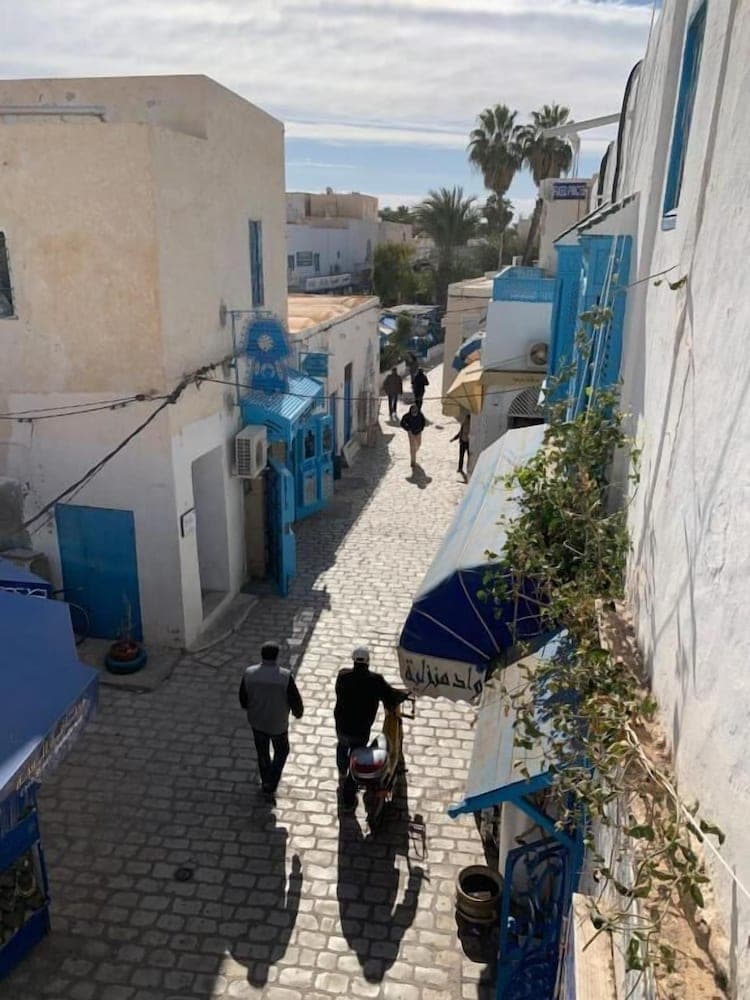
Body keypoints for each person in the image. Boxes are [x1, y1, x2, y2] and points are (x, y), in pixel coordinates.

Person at [334, 646, 409, 810]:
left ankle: (341, 771)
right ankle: (348, 797)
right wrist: (402, 695)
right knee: (356, 758)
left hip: (341, 726)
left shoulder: (343, 676)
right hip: (360, 729)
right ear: (368, 662)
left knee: (342, 746)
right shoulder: (375, 680)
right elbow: (389, 696)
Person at [239, 641, 304, 799]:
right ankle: (271, 781)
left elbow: (243, 699)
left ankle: (266, 779)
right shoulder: (285, 676)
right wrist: (298, 713)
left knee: (262, 753)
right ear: (276, 656)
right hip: (278, 723)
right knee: (282, 751)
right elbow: (295, 700)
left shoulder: (249, 673)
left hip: (257, 721)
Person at [400, 404, 426, 468]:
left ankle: (414, 452)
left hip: (418, 432)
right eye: (413, 411)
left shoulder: (420, 415)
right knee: (412, 447)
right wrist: (408, 429)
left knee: (419, 444)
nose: (414, 412)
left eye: (415, 411)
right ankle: (413, 461)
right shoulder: (407, 416)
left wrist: (421, 428)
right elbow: (402, 423)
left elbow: (423, 421)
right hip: (411, 433)